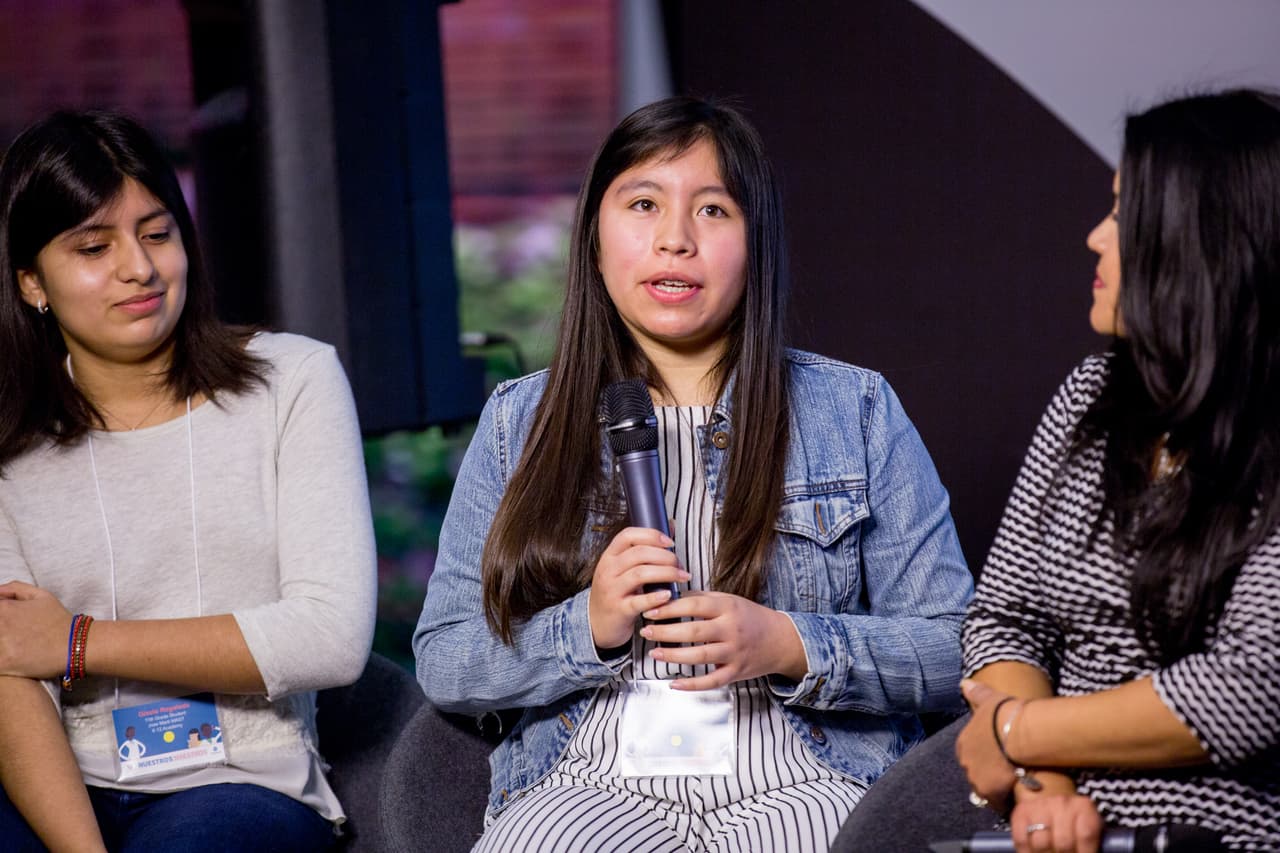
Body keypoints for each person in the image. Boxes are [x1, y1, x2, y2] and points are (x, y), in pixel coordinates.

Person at [413, 96, 973, 852]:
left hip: (803, 779)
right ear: (595, 236)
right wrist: (588, 627)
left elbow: (958, 647)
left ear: (755, 244)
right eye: (643, 203)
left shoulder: (856, 408)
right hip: (592, 784)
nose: (675, 239)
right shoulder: (520, 420)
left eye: (713, 211)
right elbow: (446, 656)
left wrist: (789, 642)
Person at [0, 110, 376, 852]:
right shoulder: (10, 442)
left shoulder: (292, 381)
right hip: (60, 788)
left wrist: (77, 643)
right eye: (93, 245)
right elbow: (11, 665)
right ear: (32, 283)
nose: (139, 267)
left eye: (158, 232)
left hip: (239, 783)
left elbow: (329, 637)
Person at [952, 90, 1280, 852]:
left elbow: (1253, 685)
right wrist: (1044, 785)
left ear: (1207, 241)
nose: (1096, 237)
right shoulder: (1089, 396)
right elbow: (1007, 615)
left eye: (1124, 213)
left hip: (1213, 820)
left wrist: (1016, 729)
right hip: (1032, 793)